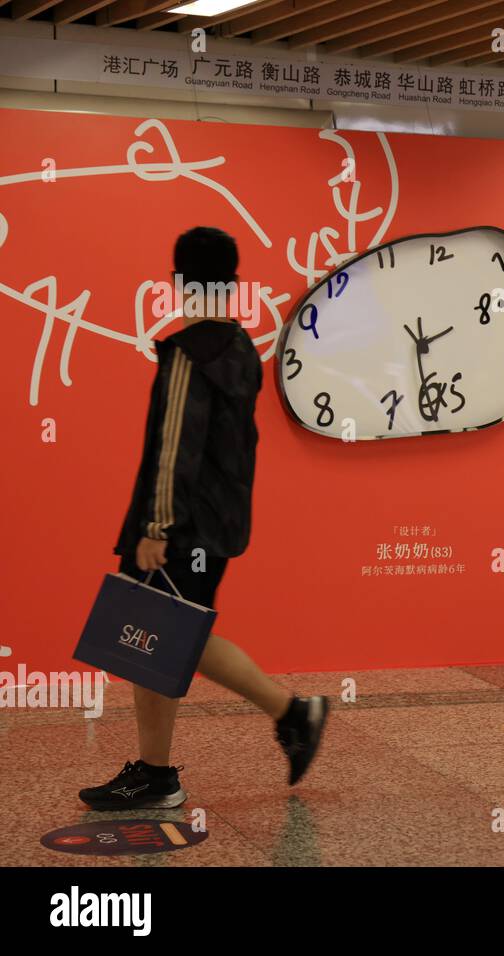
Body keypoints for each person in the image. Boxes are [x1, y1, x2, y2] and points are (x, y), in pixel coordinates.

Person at [79, 227, 328, 811]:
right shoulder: (240, 348)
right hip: (217, 523)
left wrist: (155, 528)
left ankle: (283, 716)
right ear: (233, 282)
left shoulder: (190, 353)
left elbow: (175, 446)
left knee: (160, 635)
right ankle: (164, 767)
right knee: (158, 638)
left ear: (178, 283)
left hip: (179, 524)